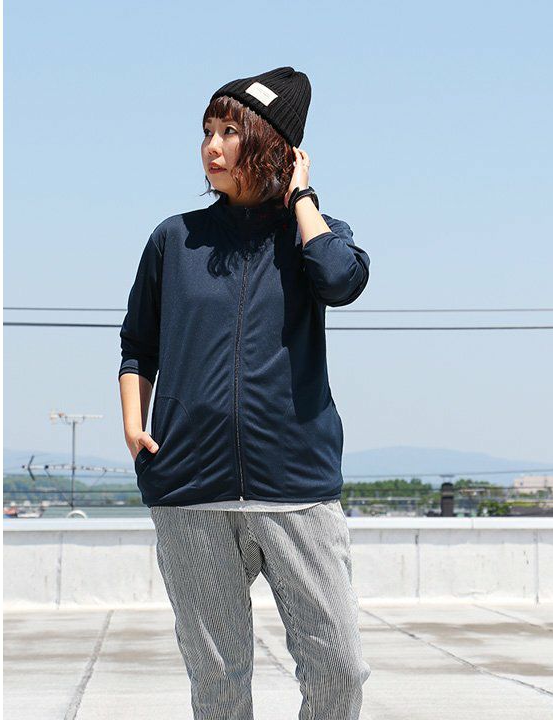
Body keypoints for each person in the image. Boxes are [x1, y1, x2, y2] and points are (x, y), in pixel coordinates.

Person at [118, 66, 372, 719]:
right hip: (191, 491)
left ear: (273, 145)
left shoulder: (316, 235)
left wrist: (302, 197)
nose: (212, 146)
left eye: (231, 131)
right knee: (220, 686)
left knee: (340, 671)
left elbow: (341, 282)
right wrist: (135, 428)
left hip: (296, 488)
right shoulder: (174, 239)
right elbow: (138, 344)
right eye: (207, 130)